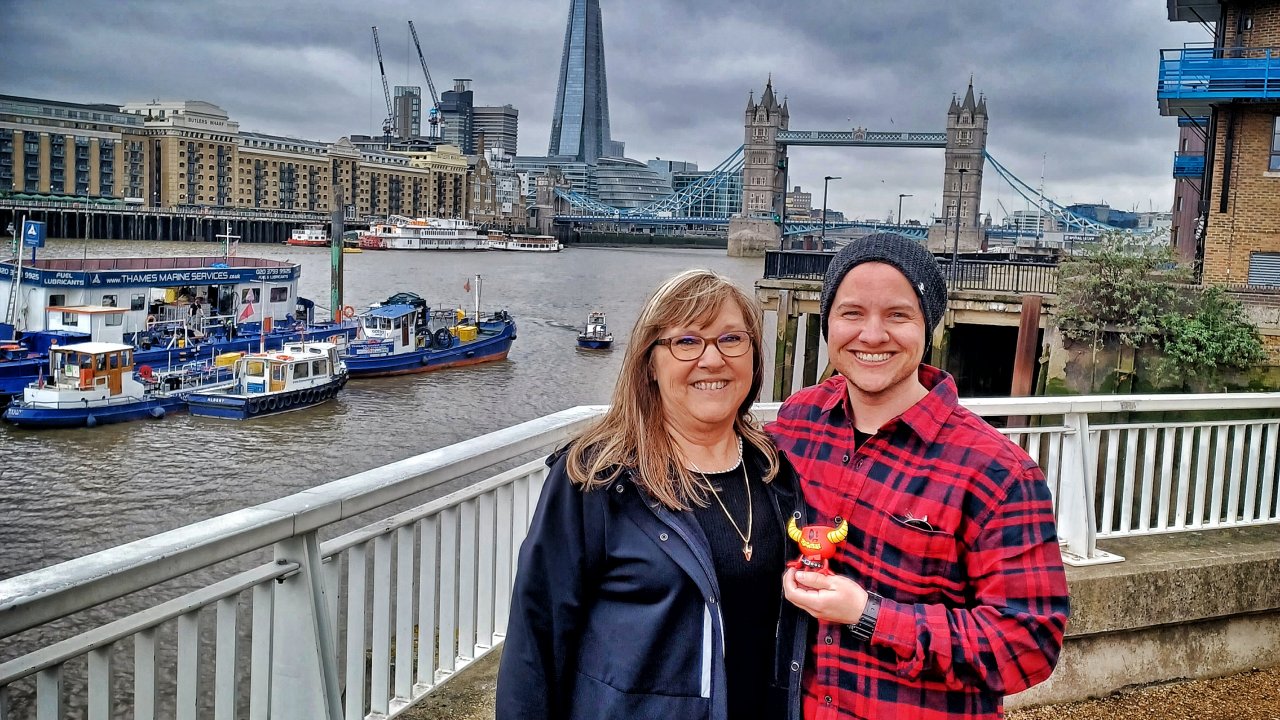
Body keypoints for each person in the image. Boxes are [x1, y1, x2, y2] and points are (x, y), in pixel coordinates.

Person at [769, 233, 1070, 719]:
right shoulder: (799, 421)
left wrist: (868, 614)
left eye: (897, 315)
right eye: (851, 313)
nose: (871, 335)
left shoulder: (998, 472)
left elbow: (1028, 644)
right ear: (827, 323)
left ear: (927, 326)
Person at [497, 269, 805, 720]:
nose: (713, 360)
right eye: (686, 342)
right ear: (650, 364)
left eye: (731, 339)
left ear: (755, 358)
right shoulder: (598, 478)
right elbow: (536, 641)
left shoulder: (773, 472)